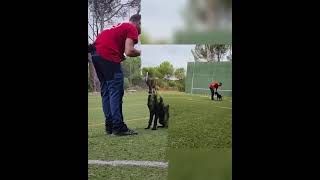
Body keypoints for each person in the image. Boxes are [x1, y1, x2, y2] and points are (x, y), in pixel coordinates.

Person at [91, 14, 141, 136]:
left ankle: (110, 127)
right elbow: (129, 51)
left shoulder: (117, 27)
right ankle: (118, 127)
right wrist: (142, 52)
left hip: (95, 55)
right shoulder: (132, 28)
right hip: (108, 55)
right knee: (115, 91)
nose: (140, 32)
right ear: (139, 23)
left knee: (106, 92)